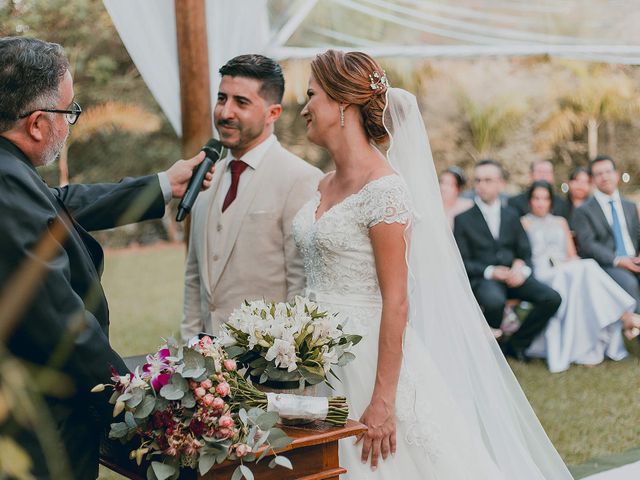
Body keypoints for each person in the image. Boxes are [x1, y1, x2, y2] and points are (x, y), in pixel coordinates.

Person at [293, 50, 572, 479]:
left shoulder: (385, 190)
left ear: (342, 103)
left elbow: (398, 300)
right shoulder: (323, 183)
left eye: (311, 95)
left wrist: (383, 399)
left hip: (367, 361)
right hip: (313, 359)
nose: (304, 106)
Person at [0, 37, 211, 480]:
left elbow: (58, 202)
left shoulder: (11, 175)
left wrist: (160, 185)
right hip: (38, 438)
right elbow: (66, 330)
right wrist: (141, 406)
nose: (71, 122)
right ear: (37, 123)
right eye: (69, 111)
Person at [181, 54, 322, 340]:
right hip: (207, 368)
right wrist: (189, 351)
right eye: (222, 99)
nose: (225, 112)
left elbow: (302, 284)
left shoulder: (301, 179)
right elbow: (194, 278)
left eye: (241, 103)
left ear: (273, 113)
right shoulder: (204, 177)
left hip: (270, 365)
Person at [522, 181, 639, 372]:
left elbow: (571, 254)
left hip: (566, 269)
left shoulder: (560, 222)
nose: (541, 203)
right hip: (542, 273)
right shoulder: (523, 222)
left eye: (545, 198)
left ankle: (591, 345)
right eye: (536, 198)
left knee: (582, 269)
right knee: (587, 267)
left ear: (551, 201)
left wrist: (570, 264)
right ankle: (625, 315)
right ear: (530, 201)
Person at [454, 159, 562, 362]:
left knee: (552, 298)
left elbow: (525, 252)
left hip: (514, 278)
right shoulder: (463, 219)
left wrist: (521, 268)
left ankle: (517, 343)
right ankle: (493, 350)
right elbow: (461, 262)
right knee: (494, 301)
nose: (481, 185)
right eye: (477, 180)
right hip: (485, 279)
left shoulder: (512, 215)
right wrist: (490, 271)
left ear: (501, 184)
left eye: (487, 180)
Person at [572, 155, 640, 320]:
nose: (605, 177)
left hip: (635, 260)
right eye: (599, 174)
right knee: (630, 284)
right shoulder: (584, 210)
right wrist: (618, 260)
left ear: (616, 175)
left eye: (608, 171)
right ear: (593, 180)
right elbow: (588, 244)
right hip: (608, 265)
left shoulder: (630, 206)